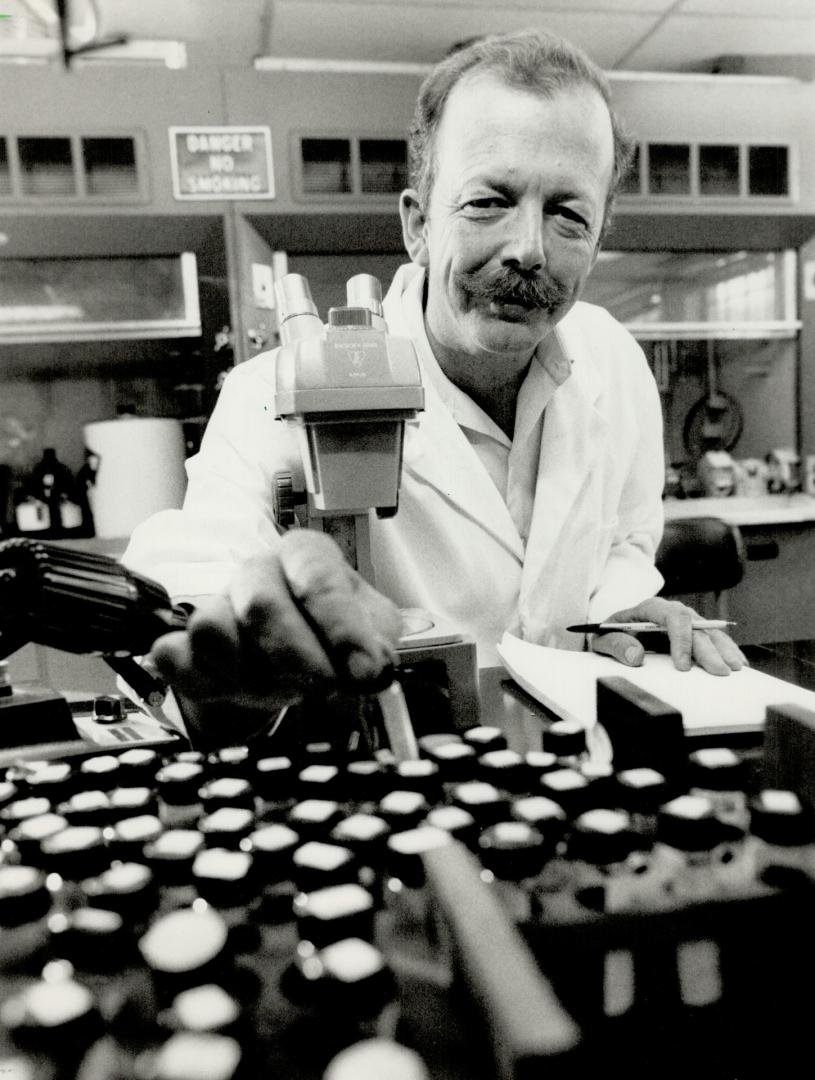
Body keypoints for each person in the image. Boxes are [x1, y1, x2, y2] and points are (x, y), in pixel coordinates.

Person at [123, 28, 746, 741]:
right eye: (489, 202)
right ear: (417, 224)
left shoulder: (612, 359)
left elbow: (623, 542)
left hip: (567, 773)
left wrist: (625, 606)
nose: (526, 249)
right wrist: (234, 658)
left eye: (568, 214)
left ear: (598, 241)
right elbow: (191, 595)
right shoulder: (274, 392)